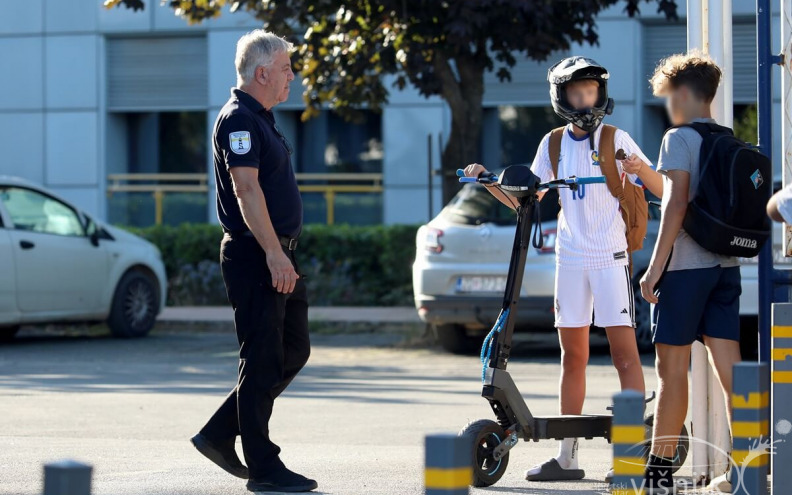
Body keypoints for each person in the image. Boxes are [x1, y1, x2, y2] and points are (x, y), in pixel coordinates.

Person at [464, 56, 662, 482]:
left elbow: (662, 187)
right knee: (572, 357)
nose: (586, 99)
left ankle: (629, 457)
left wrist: (639, 168)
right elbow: (525, 200)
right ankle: (567, 458)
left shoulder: (617, 138)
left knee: (626, 357)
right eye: (577, 92)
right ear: (562, 97)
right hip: (569, 260)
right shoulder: (552, 144)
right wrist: (488, 181)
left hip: (609, 258)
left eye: (591, 91)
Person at [190, 29, 318, 493]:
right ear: (262, 73)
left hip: (276, 251)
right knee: (262, 356)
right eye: (285, 68)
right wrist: (272, 254)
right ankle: (264, 467)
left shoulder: (260, 117)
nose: (292, 76)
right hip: (257, 253)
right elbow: (247, 190)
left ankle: (221, 432)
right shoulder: (239, 119)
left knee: (292, 350)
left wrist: (280, 253)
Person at [640, 51, 741, 494]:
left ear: (682, 94)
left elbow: (675, 204)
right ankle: (746, 469)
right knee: (732, 373)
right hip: (725, 267)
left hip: (685, 270)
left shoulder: (678, 139)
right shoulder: (728, 137)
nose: (668, 105)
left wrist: (654, 270)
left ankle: (658, 476)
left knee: (671, 371)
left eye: (667, 97)